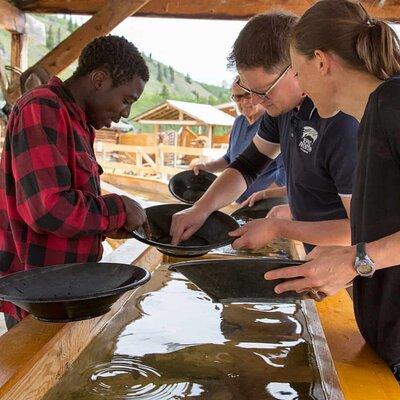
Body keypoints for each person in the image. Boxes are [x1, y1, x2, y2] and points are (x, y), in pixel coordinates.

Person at [265, 0, 400, 378]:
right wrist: (346, 261)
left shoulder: (393, 104)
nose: (300, 84)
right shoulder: (370, 118)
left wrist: (359, 258)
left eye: (297, 69)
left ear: (321, 61)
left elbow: (371, 252)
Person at [170, 12, 358, 255]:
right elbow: (247, 166)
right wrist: (200, 209)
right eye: (248, 90)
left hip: (350, 266)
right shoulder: (282, 111)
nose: (256, 101)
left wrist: (279, 228)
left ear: (296, 68)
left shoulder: (342, 122)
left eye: (264, 91)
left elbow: (359, 231)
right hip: (315, 254)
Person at [0, 36, 150, 329]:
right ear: (99, 79)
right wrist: (117, 208)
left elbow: (72, 205)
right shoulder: (41, 107)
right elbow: (48, 209)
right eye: (126, 100)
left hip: (68, 290)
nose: (125, 114)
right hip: (39, 297)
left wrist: (114, 225)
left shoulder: (78, 122)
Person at [190, 79, 286, 204]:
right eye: (238, 97)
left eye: (248, 95)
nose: (244, 101)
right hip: (239, 204)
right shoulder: (238, 122)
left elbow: (283, 176)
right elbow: (230, 158)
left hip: (265, 206)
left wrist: (261, 200)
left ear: (258, 94)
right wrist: (208, 167)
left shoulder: (273, 124)